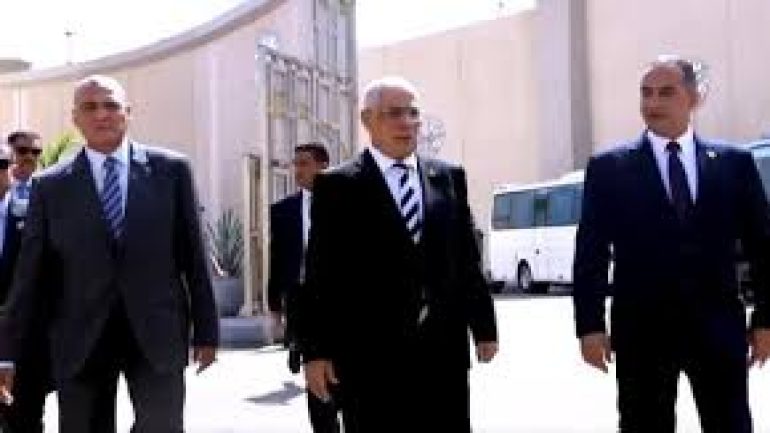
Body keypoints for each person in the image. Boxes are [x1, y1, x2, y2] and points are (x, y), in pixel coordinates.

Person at [0, 75, 219, 433]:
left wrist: (207, 331)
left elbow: (194, 255)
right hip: (79, 338)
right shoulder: (49, 186)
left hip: (156, 332)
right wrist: (7, 353)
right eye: (90, 107)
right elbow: (29, 276)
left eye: (111, 105)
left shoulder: (172, 171)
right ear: (75, 118)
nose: (101, 114)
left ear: (128, 113)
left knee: (162, 427)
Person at [573, 55, 770, 433]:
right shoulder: (609, 169)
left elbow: (763, 247)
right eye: (646, 93)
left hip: (718, 331)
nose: (653, 103)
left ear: (694, 98)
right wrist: (590, 326)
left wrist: (765, 320)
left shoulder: (734, 164)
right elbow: (591, 253)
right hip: (642, 333)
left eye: (666, 93)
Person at [301, 76, 498, 433]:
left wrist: (484, 327)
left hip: (443, 353)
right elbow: (319, 276)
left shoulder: (448, 177)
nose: (407, 123)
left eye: (413, 113)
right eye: (394, 113)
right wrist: (315, 352)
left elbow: (467, 258)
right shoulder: (337, 186)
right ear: (367, 120)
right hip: (369, 359)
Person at [267, 142, 340, 433]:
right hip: (302, 304)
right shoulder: (283, 210)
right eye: (295, 163)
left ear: (323, 166)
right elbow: (277, 261)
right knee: (318, 393)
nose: (297, 170)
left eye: (304, 163)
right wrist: (275, 308)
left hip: (341, 305)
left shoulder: (348, 203)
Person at [0, 132, 50, 432]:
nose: (29, 157)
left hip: (25, 339)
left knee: (25, 419)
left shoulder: (42, 204)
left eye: (36, 152)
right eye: (22, 151)